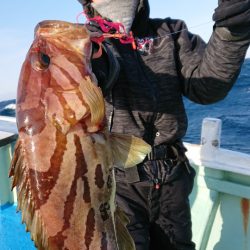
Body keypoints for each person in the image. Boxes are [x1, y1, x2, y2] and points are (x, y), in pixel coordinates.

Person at [77, 0, 250, 249]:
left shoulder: (171, 31)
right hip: (116, 184)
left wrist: (233, 30)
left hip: (172, 178)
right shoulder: (83, 42)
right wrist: (93, 66)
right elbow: (100, 73)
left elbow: (206, 87)